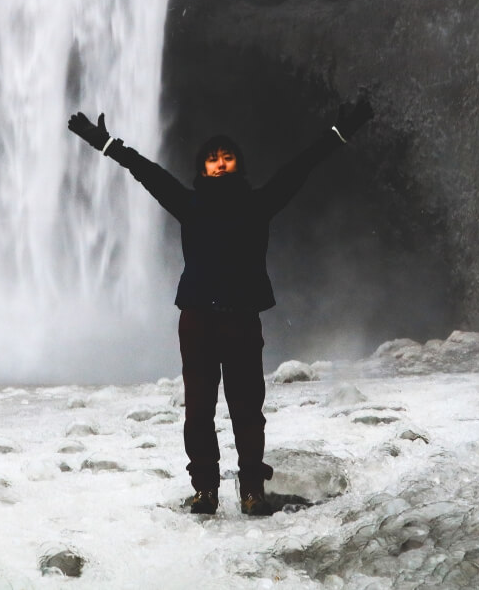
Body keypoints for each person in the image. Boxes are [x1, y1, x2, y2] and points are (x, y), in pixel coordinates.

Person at [67, 93, 374, 516]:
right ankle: (205, 491)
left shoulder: (257, 204)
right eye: (212, 159)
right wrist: (105, 144)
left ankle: (251, 491)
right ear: (202, 168)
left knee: (248, 409)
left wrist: (340, 132)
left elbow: (300, 168)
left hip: (241, 320)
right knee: (198, 411)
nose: (220, 163)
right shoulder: (188, 204)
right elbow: (145, 171)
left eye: (227, 157)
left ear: (238, 165)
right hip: (198, 320)